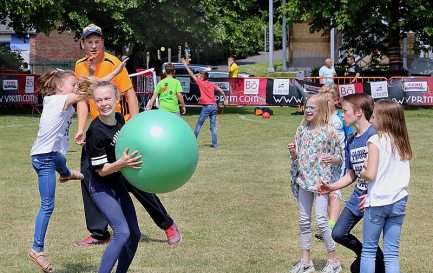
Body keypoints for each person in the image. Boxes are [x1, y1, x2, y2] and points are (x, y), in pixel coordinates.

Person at [74, 23, 181, 247]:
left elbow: (130, 95)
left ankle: (167, 224)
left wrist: (135, 125)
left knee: (134, 181)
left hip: (117, 129)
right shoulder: (80, 66)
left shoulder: (114, 63)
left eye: (97, 41)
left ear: (102, 43)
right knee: (89, 177)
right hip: (96, 131)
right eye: (89, 42)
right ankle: (99, 233)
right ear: (83, 44)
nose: (93, 46)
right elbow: (83, 100)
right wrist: (80, 128)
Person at [27, 65, 124, 272]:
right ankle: (37, 249)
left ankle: (65, 173)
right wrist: (113, 75)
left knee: (60, 161)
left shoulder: (59, 100)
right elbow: (90, 90)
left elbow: (89, 90)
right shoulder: (59, 100)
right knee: (47, 205)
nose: (76, 87)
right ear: (61, 87)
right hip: (44, 159)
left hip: (52, 156)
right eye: (73, 84)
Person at [318, 94, 385, 273]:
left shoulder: (376, 135)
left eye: (345, 111)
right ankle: (368, 256)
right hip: (358, 196)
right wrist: (331, 187)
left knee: (371, 239)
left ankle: (377, 263)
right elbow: (351, 174)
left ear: (358, 112)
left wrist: (374, 194)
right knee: (338, 233)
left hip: (375, 196)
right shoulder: (351, 141)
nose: (342, 114)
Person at [85, 81, 142, 273]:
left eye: (107, 98)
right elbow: (102, 170)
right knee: (122, 232)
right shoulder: (95, 131)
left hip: (118, 185)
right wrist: (122, 164)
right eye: (98, 100)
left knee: (134, 234)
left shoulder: (119, 119)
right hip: (101, 187)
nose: (103, 103)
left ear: (117, 99)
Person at [288, 94, 343, 273]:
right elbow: (297, 158)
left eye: (312, 107)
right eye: (306, 106)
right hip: (304, 180)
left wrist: (332, 159)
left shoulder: (330, 131)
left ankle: (333, 260)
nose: (307, 110)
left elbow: (340, 158)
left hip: (321, 183)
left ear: (321, 110)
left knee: (321, 220)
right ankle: (306, 261)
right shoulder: (301, 129)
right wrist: (294, 153)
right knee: (304, 221)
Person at [359, 99, 412, 273]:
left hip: (378, 202)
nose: (372, 120)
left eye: (375, 116)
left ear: (384, 119)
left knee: (368, 251)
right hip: (398, 201)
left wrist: (362, 171)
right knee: (391, 254)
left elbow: (370, 174)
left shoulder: (376, 140)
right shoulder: (402, 141)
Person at [315, 84, 354, 240]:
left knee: (335, 192)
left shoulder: (340, 118)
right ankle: (328, 224)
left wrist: (348, 155)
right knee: (324, 190)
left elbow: (349, 136)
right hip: (322, 162)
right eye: (323, 100)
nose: (326, 102)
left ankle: (330, 227)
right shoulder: (320, 118)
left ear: (335, 100)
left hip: (339, 161)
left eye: (328, 100)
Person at [181, 58, 228, 149]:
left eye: (199, 74)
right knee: (213, 127)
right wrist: (225, 99)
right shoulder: (211, 84)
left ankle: (193, 143)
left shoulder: (201, 83)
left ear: (202, 77)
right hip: (214, 106)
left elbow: (191, 74)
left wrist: (185, 65)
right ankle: (215, 145)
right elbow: (221, 90)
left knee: (199, 124)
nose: (198, 75)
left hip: (207, 107)